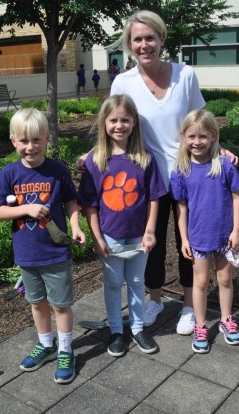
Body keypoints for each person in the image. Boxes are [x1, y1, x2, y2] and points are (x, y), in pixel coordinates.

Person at [107, 10, 237, 335]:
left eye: (150, 38)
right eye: (137, 39)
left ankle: (190, 306)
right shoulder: (122, 82)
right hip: (145, 178)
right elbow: (114, 127)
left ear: (162, 39)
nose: (144, 44)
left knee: (189, 242)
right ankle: (154, 299)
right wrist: (95, 157)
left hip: (189, 175)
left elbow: (201, 121)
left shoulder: (185, 75)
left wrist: (219, 149)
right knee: (150, 244)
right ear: (129, 43)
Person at [0, 108, 86, 384]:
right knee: (37, 303)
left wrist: (77, 226)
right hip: (27, 252)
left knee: (61, 305)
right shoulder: (9, 174)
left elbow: (71, 200)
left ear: (47, 138)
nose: (30, 147)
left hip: (55, 251)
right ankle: (46, 344)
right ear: (13, 141)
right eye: (23, 141)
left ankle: (66, 350)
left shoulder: (57, 170)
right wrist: (27, 208)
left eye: (36, 140)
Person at [78, 95, 167, 357]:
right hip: (110, 236)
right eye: (113, 120)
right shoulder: (96, 160)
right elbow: (90, 204)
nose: (119, 125)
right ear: (104, 123)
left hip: (139, 236)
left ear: (134, 122)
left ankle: (138, 328)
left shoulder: (144, 158)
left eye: (125, 120)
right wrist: (97, 237)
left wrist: (150, 231)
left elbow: (153, 198)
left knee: (138, 282)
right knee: (114, 284)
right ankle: (116, 331)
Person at [170, 109, 239, 353]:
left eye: (203, 136)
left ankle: (226, 319)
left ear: (214, 136)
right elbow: (180, 207)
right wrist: (183, 238)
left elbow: (237, 198)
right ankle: (201, 325)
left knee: (224, 278)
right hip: (198, 237)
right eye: (191, 136)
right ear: (183, 136)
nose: (197, 142)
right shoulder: (180, 170)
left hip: (224, 236)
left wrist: (236, 231)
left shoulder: (223, 165)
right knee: (200, 282)